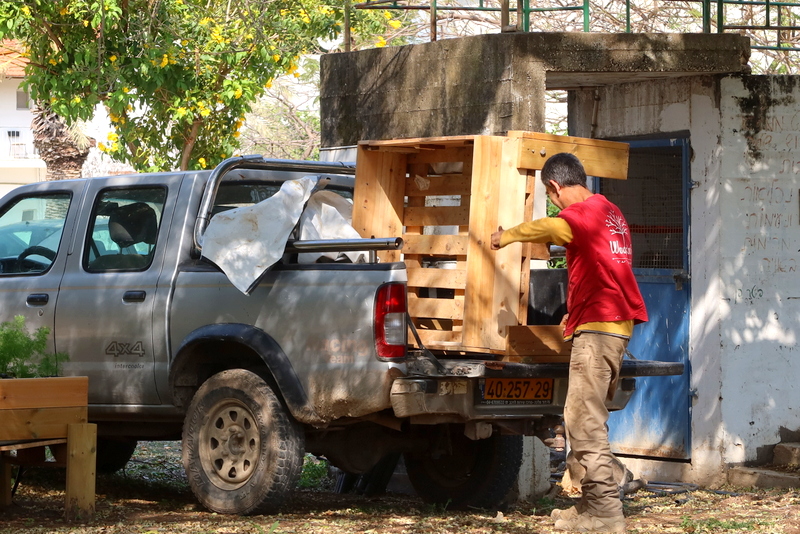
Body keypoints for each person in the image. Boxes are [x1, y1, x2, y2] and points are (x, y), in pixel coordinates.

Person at [491, 152, 647, 533]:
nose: (555, 204)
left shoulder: (575, 217)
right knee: (587, 419)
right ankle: (594, 502)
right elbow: (599, 269)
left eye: (552, 196)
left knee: (583, 422)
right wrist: (574, 312)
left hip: (599, 333)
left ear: (554, 187)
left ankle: (606, 515)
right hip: (615, 327)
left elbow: (544, 229)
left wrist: (504, 236)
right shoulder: (609, 211)